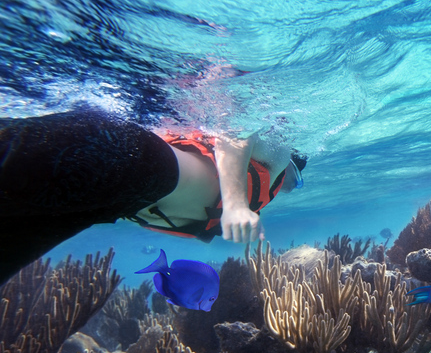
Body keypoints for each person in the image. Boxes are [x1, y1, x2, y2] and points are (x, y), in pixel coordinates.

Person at [0, 108, 306, 285]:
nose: (291, 186)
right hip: (127, 158)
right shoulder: (278, 159)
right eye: (297, 179)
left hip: (114, 202)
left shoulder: (262, 193)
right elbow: (238, 132)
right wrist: (236, 204)